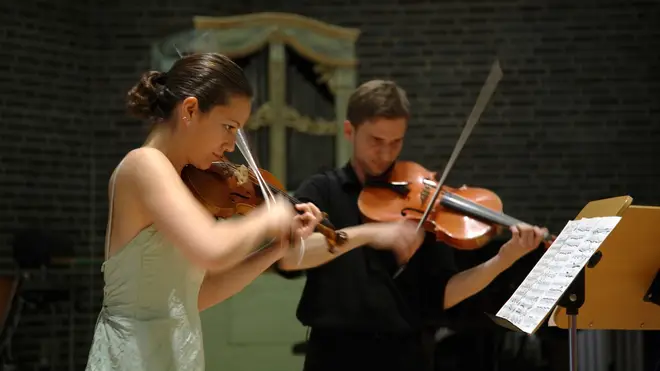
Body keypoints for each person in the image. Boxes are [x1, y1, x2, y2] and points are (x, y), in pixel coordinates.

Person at [84, 53, 336, 371]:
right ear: (190, 110)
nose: (232, 145)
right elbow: (212, 249)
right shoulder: (143, 165)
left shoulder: (183, 180)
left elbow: (193, 298)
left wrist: (278, 247)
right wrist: (269, 217)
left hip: (176, 354)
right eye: (228, 127)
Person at [276, 80, 549, 371]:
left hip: (408, 356)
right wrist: (370, 232)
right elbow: (291, 256)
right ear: (349, 131)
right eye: (376, 141)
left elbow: (442, 294)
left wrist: (503, 260)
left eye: (396, 142)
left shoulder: (422, 202)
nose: (385, 153)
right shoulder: (322, 190)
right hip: (334, 355)